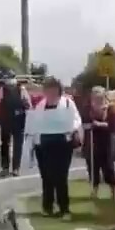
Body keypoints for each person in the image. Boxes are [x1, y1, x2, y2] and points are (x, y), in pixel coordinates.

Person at [26, 77, 82, 219]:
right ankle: (47, 206)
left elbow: (76, 120)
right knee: (46, 177)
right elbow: (34, 124)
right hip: (43, 144)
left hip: (62, 143)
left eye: (53, 88)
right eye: (47, 88)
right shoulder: (40, 105)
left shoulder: (68, 103)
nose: (50, 91)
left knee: (60, 176)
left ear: (58, 89)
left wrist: (70, 128)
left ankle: (64, 209)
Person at [83, 86, 115, 200]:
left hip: (106, 141)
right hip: (92, 141)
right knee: (92, 167)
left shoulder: (110, 108)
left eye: (99, 97)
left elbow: (114, 126)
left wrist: (100, 124)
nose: (96, 99)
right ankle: (94, 190)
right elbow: (83, 122)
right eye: (94, 96)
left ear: (103, 96)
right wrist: (87, 125)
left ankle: (113, 190)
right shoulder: (88, 108)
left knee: (108, 167)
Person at [0, 77, 32, 177]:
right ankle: (5, 167)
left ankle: (16, 168)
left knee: (18, 145)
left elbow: (29, 105)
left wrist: (25, 106)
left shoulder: (21, 89)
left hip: (19, 120)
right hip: (6, 121)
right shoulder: (2, 90)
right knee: (4, 144)